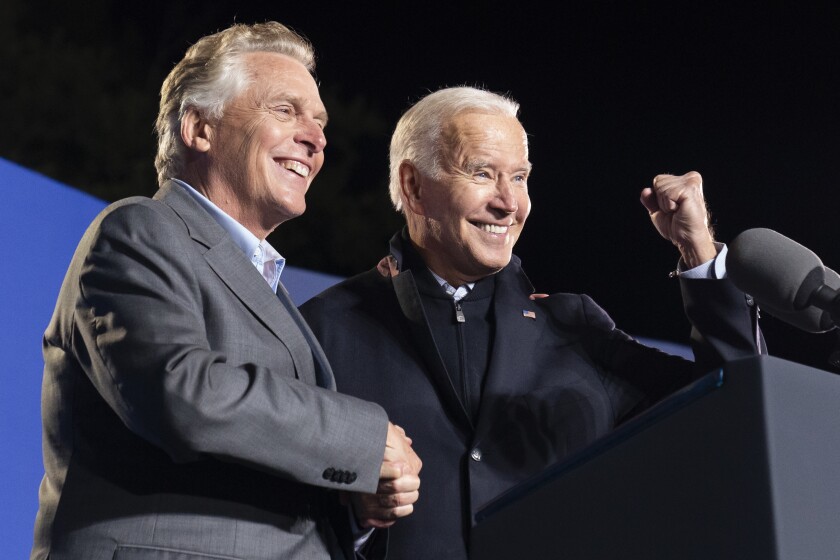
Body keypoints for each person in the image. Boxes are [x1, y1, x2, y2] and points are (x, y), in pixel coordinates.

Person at [299, 86, 762, 558]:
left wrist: (698, 251)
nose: (509, 203)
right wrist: (353, 518)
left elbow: (736, 402)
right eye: (482, 173)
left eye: (519, 178)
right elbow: (270, 518)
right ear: (414, 187)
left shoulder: (574, 329)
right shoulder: (323, 330)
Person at [31, 22, 421, 560]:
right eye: (285, 111)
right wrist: (366, 440)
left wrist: (353, 501)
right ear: (199, 128)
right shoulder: (140, 230)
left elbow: (255, 460)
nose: (317, 137)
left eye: (320, 122)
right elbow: (182, 392)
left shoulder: (267, 285)